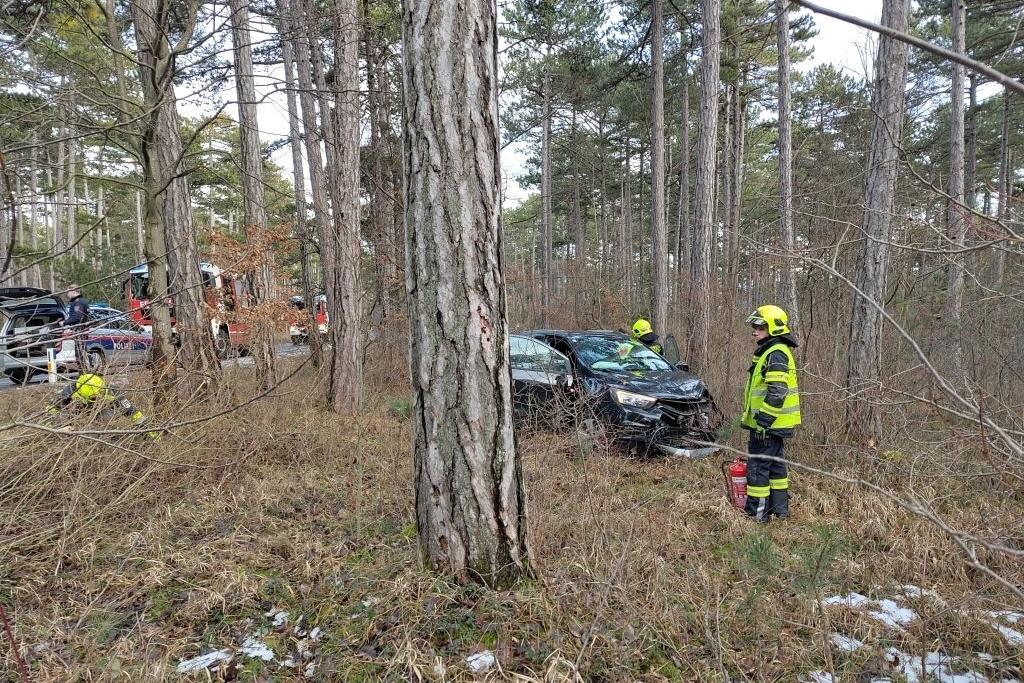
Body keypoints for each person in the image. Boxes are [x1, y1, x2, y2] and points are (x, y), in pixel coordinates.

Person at [740, 304, 801, 521]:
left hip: (768, 424)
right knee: (775, 467)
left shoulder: (775, 354)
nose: (755, 331)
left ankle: (757, 516)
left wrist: (762, 423)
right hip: (775, 424)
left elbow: (777, 392)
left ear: (773, 328)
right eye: (754, 327)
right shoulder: (772, 351)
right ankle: (780, 511)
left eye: (760, 327)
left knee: (758, 468)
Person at [46, 372, 160, 440]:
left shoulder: (112, 391)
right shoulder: (69, 391)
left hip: (102, 411)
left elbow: (133, 413)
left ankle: (108, 435)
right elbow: (52, 409)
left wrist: (151, 433)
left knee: (108, 420)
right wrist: (52, 428)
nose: (95, 399)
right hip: (78, 412)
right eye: (92, 398)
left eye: (97, 396)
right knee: (64, 416)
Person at [61, 284, 90, 370]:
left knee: (80, 353)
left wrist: (64, 323)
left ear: (73, 291)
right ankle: (84, 372)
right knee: (80, 352)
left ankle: (84, 372)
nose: (67, 294)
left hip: (80, 330)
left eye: (68, 292)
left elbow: (77, 317)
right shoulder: (80, 301)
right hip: (80, 330)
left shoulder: (78, 302)